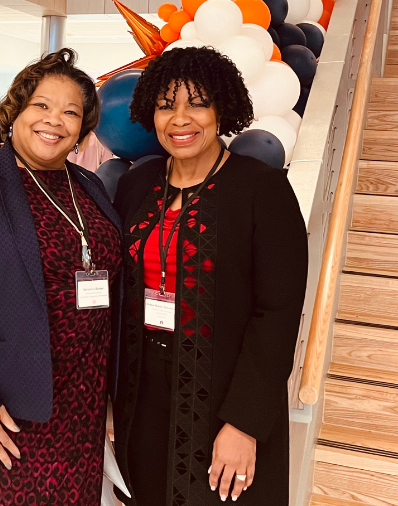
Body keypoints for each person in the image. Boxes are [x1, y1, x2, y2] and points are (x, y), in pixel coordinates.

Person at [0, 48, 119, 505]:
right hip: (6, 407)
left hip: (83, 403)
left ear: (83, 128)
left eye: (71, 112)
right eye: (42, 106)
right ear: (17, 110)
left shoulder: (88, 185)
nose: (55, 120)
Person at [112, 47, 308, 505]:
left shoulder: (262, 189)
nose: (180, 119)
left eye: (196, 103)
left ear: (222, 108)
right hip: (142, 390)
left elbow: (277, 313)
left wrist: (244, 423)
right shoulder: (136, 186)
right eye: (166, 105)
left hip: (224, 391)